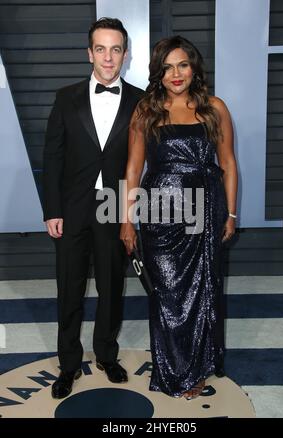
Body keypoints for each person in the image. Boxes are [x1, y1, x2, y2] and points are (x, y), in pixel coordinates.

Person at [120, 36, 238, 400]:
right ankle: (172, 368)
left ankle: (196, 369)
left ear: (194, 68)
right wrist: (126, 220)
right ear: (159, 72)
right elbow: (134, 166)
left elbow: (228, 163)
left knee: (202, 290)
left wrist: (231, 213)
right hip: (159, 211)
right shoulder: (146, 110)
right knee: (167, 294)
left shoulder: (214, 108)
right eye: (168, 67)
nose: (176, 74)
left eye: (183, 65)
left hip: (206, 209)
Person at [43, 17, 144, 399]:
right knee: (69, 289)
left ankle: (106, 354)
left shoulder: (139, 100)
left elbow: (145, 161)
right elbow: (52, 157)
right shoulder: (65, 97)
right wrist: (52, 209)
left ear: (125, 54)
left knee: (111, 286)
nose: (108, 57)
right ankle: (68, 364)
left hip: (114, 207)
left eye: (115, 49)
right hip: (71, 208)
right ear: (89, 53)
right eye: (100, 49)